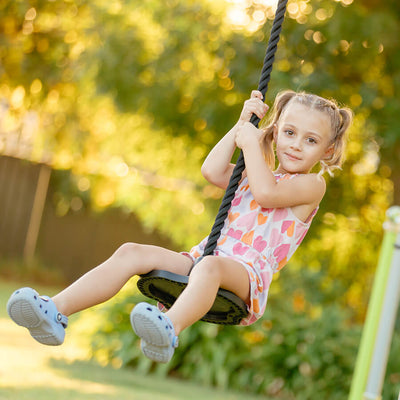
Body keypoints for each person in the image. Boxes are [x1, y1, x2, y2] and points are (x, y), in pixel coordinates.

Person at [7, 90, 352, 363]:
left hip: (247, 275)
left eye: (310, 140)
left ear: (328, 149)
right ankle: (55, 310)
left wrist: (250, 145)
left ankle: (168, 329)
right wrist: (240, 126)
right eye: (289, 132)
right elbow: (213, 171)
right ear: (275, 132)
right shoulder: (254, 173)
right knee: (132, 252)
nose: (295, 144)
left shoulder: (312, 185)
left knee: (212, 266)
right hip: (206, 258)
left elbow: (266, 193)